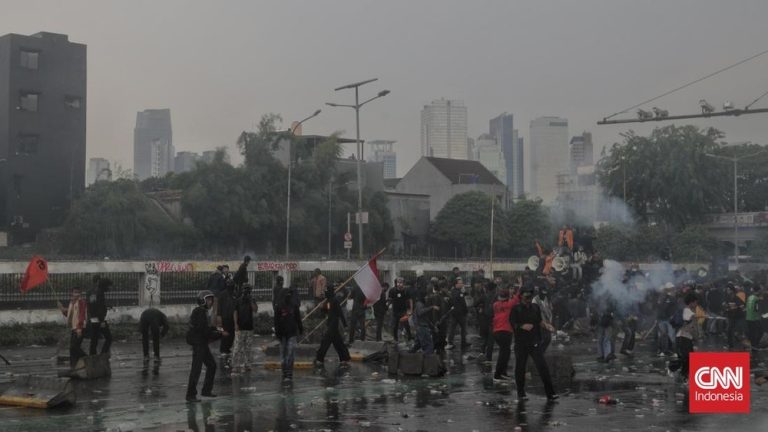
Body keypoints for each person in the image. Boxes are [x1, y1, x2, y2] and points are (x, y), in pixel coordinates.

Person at [509, 286, 558, 401]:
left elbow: (539, 321)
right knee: (520, 368)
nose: (528, 299)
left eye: (530, 297)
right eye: (526, 297)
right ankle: (521, 393)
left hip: (534, 342)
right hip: (521, 343)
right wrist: (522, 326)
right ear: (521, 297)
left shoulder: (535, 307)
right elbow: (512, 323)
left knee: (543, 367)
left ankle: (550, 393)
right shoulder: (516, 309)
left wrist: (547, 326)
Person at [186, 290, 226, 402]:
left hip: (202, 343)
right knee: (196, 369)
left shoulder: (201, 312)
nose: (210, 302)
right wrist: (219, 334)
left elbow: (206, 328)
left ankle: (206, 391)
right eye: (208, 299)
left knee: (212, 365)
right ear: (202, 300)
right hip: (199, 344)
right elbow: (204, 331)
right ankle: (190, 395)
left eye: (211, 300)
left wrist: (216, 330)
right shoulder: (199, 312)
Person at [315, 284, 351, 366]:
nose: (325, 293)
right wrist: (321, 308)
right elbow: (327, 311)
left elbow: (340, 313)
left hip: (334, 324)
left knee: (326, 341)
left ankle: (319, 358)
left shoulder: (335, 300)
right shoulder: (328, 301)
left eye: (326, 291)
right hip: (330, 322)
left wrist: (345, 325)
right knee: (338, 342)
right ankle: (345, 357)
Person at [275, 287, 303, 381]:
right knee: (283, 353)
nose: (289, 296)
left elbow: (298, 318)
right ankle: (284, 371)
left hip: (292, 333)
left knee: (290, 353)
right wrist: (277, 333)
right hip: (282, 334)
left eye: (290, 294)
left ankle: (289, 372)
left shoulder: (294, 306)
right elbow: (276, 321)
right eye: (287, 294)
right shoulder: (278, 306)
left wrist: (300, 329)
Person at [492, 286, 519, 382]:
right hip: (505, 331)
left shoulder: (495, 305)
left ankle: (503, 373)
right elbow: (517, 298)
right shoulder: (509, 305)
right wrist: (517, 289)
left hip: (496, 331)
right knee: (504, 354)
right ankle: (497, 375)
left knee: (505, 353)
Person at [58, 287, 88, 368]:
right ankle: (73, 366)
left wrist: (79, 328)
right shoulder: (72, 303)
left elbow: (82, 315)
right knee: (72, 349)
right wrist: (61, 308)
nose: (76, 294)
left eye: (78, 292)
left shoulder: (81, 302)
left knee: (74, 347)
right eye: (74, 292)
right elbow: (69, 315)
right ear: (71, 293)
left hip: (80, 328)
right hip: (74, 328)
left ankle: (88, 359)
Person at [232, 284, 257, 374]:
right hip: (240, 327)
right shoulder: (238, 300)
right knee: (237, 347)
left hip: (249, 328)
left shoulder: (252, 300)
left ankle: (247, 364)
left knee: (248, 348)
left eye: (247, 290)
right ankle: (235, 365)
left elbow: (255, 310)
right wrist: (235, 324)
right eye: (245, 290)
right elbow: (235, 312)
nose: (246, 292)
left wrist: (251, 300)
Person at [676, 292, 700, 383]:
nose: (696, 304)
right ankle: (682, 377)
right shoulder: (691, 314)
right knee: (688, 359)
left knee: (685, 359)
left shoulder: (683, 311)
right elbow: (693, 329)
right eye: (695, 302)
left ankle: (682, 377)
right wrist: (696, 339)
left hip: (680, 337)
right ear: (691, 302)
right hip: (685, 338)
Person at [86, 276, 113, 356]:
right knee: (109, 338)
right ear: (105, 285)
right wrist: (101, 320)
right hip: (99, 320)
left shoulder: (91, 292)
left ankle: (92, 356)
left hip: (93, 319)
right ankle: (103, 355)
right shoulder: (100, 292)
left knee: (94, 339)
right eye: (109, 286)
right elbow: (99, 307)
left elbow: (92, 305)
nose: (110, 288)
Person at [410, 290, 437, 354]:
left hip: (420, 327)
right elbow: (420, 313)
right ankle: (428, 361)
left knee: (417, 345)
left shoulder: (422, 304)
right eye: (426, 296)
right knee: (429, 346)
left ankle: (411, 357)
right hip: (421, 327)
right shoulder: (420, 304)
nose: (427, 297)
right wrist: (431, 307)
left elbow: (426, 318)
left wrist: (433, 327)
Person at [216, 279, 237, 359]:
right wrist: (219, 317)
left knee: (232, 335)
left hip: (232, 317)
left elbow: (236, 305)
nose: (231, 287)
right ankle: (223, 350)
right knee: (225, 334)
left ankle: (227, 349)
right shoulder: (222, 294)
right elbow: (219, 307)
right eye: (229, 285)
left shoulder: (234, 294)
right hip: (224, 317)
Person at [446, 277, 469, 350]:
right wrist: (466, 311)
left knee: (452, 328)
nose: (462, 284)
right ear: (456, 284)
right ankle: (463, 342)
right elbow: (463, 303)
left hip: (454, 312)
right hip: (460, 313)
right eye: (460, 283)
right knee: (463, 328)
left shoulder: (453, 291)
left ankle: (450, 342)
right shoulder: (459, 293)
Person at [389, 277, 412, 342]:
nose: (399, 284)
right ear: (396, 283)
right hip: (395, 311)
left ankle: (409, 337)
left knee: (406, 325)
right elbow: (390, 300)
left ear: (403, 283)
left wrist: (410, 310)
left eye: (401, 283)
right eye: (398, 283)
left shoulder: (406, 291)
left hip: (403, 311)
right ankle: (395, 338)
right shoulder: (392, 290)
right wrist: (387, 306)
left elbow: (410, 300)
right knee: (395, 326)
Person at [724, 283, 747, 350]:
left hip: (739, 317)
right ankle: (730, 345)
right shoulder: (728, 297)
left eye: (728, 289)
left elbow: (742, 306)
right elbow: (727, 306)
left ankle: (745, 345)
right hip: (731, 317)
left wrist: (736, 307)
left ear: (732, 290)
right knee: (729, 331)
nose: (727, 291)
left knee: (739, 331)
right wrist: (727, 308)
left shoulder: (737, 298)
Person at [532, 286, 553, 353]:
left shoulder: (546, 299)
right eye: (543, 293)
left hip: (547, 322)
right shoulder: (535, 300)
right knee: (542, 339)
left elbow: (549, 310)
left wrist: (550, 321)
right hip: (539, 323)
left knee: (548, 339)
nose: (544, 295)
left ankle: (540, 352)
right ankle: (538, 353)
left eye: (545, 294)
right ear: (539, 292)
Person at [746, 285, 763, 356]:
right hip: (755, 318)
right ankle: (755, 346)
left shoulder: (750, 297)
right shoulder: (757, 299)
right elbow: (756, 309)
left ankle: (752, 346)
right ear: (758, 290)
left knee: (751, 333)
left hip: (748, 318)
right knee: (760, 332)